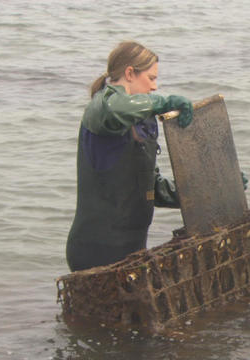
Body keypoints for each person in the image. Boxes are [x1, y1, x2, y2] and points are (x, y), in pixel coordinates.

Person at [66, 41, 194, 272]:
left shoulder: (142, 120)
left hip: (132, 249)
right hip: (97, 249)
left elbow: (150, 188)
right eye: (152, 78)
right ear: (129, 74)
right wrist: (164, 103)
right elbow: (117, 109)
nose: (155, 87)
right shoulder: (102, 108)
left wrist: (206, 187)